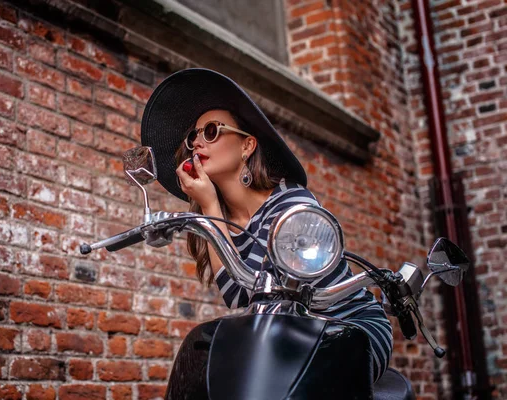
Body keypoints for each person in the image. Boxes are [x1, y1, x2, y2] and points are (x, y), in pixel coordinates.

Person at [140, 68, 392, 382]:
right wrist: (209, 210)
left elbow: (248, 293)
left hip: (349, 328)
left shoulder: (291, 204)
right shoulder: (221, 220)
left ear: (247, 146)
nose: (196, 144)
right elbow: (238, 298)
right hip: (290, 331)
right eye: (193, 136)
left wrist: (208, 205)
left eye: (211, 131)